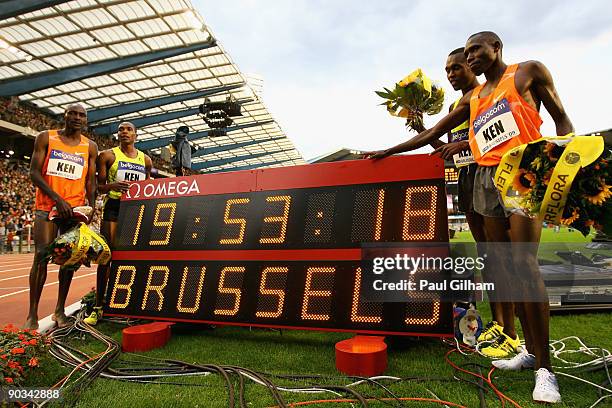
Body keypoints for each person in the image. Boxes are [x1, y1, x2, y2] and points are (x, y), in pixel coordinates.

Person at [366, 32, 573, 403]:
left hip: (525, 175)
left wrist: (563, 173)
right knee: (507, 269)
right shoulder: (473, 99)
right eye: (466, 53)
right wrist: (387, 150)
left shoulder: (528, 73)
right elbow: (433, 134)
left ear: (497, 48)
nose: (471, 56)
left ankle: (546, 369)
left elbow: (561, 120)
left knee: (524, 264)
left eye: (476, 50)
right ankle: (528, 352)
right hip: (487, 181)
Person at [24, 104, 98, 330]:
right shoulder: (46, 138)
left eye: (81, 115)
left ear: (85, 120)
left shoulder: (90, 146)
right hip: (47, 207)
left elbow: (90, 182)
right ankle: (32, 315)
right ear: (64, 116)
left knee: (70, 260)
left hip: (75, 210)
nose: (77, 118)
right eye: (72, 113)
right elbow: (34, 173)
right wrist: (57, 199)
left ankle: (59, 310)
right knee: (41, 256)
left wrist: (91, 208)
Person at [84, 122, 151, 325]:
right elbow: (98, 186)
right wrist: (113, 185)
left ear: (136, 135)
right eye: (121, 129)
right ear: (117, 134)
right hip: (113, 207)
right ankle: (98, 307)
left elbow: (148, 187)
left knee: (133, 257)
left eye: (129, 129)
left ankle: (131, 303)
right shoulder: (108, 156)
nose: (124, 132)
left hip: (136, 209)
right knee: (107, 256)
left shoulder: (145, 160)